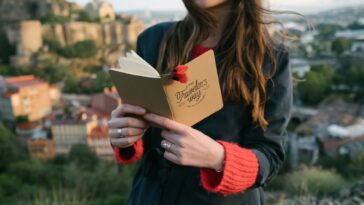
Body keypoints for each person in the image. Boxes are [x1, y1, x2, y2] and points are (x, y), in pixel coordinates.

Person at [107, 0, 293, 204]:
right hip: (150, 196)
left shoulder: (271, 58)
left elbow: (270, 157)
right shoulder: (153, 40)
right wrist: (125, 133)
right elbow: (141, 131)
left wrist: (218, 158)